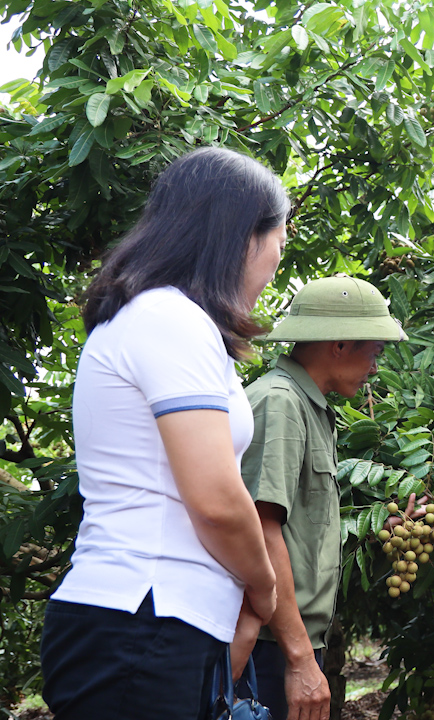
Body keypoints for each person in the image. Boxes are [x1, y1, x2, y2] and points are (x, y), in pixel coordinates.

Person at [42, 146, 287, 719]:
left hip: (154, 620)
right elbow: (217, 501)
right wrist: (264, 588)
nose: (275, 263)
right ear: (242, 237)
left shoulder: (165, 320)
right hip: (139, 618)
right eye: (279, 243)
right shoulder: (168, 319)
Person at [233, 276, 405, 720]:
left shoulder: (309, 407)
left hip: (283, 641)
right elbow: (260, 530)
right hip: (269, 644)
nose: (376, 366)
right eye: (375, 351)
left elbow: (295, 532)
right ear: (340, 345)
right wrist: (299, 660)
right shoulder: (280, 403)